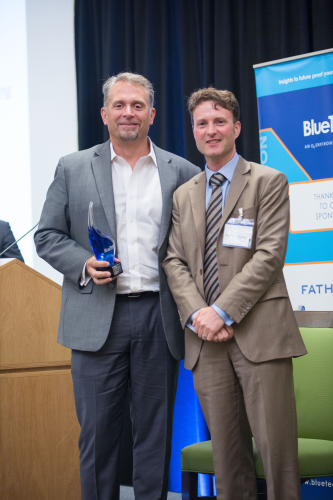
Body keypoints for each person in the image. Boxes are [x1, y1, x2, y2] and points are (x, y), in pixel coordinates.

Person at [34, 72, 200, 500]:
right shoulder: (72, 167)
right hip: (95, 318)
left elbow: (194, 247)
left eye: (138, 105)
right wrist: (84, 264)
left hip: (158, 318)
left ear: (153, 114)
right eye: (121, 105)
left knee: (154, 436)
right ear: (105, 113)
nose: (129, 112)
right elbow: (47, 236)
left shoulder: (181, 171)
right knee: (97, 437)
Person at [163, 87, 307, 500]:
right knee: (226, 462)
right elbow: (174, 261)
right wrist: (198, 315)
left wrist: (222, 311)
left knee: (278, 458)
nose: (211, 130)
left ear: (236, 127)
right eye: (202, 123)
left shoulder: (268, 181)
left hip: (259, 335)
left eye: (220, 121)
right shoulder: (184, 194)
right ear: (193, 131)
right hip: (205, 343)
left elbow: (269, 254)